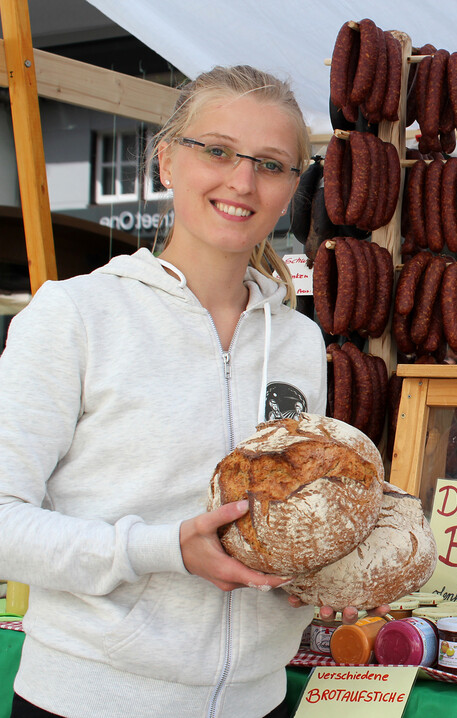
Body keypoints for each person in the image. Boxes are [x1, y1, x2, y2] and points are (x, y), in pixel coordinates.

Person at [0, 66, 351, 718]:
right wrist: (161, 549)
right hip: (89, 702)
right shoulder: (73, 316)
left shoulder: (301, 342)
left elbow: (289, 516)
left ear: (291, 190)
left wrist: (319, 565)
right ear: (166, 160)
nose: (241, 181)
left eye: (270, 165)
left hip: (258, 704)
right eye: (216, 151)